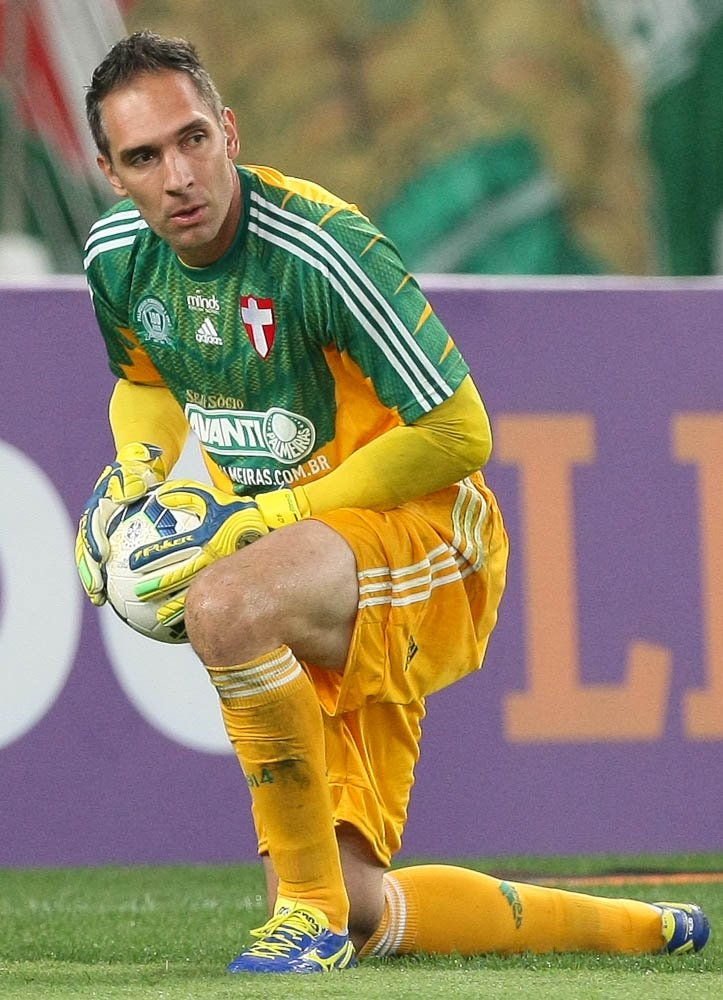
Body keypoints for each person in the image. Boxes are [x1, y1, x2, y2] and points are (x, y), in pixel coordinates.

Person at [75, 31, 710, 974]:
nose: (177, 174)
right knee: (369, 906)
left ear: (231, 133)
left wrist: (278, 518)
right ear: (109, 172)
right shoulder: (120, 258)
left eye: (192, 139)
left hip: (430, 537)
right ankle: (640, 930)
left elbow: (461, 432)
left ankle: (302, 921)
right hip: (319, 557)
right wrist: (133, 469)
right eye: (144, 157)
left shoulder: (321, 248)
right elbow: (146, 381)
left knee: (225, 604)